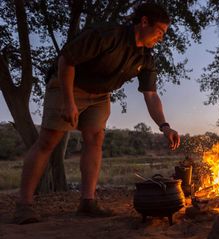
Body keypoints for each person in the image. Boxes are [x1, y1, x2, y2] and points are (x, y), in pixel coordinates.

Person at [14, 2, 180, 225]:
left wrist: (165, 126)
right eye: (159, 31)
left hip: (100, 95)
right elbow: (67, 61)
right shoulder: (106, 35)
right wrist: (68, 101)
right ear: (144, 22)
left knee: (95, 138)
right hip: (68, 84)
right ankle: (24, 205)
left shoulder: (146, 58)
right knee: (48, 140)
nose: (161, 37)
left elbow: (150, 94)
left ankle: (87, 202)